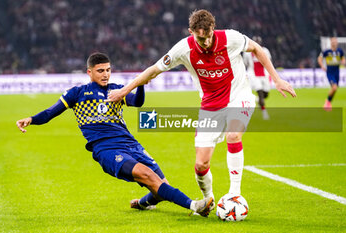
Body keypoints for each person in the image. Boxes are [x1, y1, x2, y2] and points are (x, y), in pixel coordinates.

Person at [106, 10, 296, 210]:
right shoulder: (183, 49)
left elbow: (257, 49)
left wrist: (276, 79)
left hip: (238, 97)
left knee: (233, 135)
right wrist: (125, 91)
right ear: (191, 32)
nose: (205, 42)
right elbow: (153, 70)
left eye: (207, 37)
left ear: (213, 29)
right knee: (201, 165)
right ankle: (208, 200)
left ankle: (235, 195)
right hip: (210, 107)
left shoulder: (230, 38)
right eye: (199, 38)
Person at [16, 52, 213, 217]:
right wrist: (31, 119)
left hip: (131, 144)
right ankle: (195, 206)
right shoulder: (77, 93)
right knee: (147, 175)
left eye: (108, 70)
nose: (105, 74)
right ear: (90, 72)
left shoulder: (116, 90)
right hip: (106, 148)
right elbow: (51, 113)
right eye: (100, 71)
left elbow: (137, 103)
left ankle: (142, 203)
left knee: (161, 187)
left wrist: (141, 83)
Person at [243, 36, 272, 120]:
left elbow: (269, 61)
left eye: (258, 42)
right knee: (260, 93)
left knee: (265, 94)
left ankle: (258, 99)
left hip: (264, 75)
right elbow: (245, 63)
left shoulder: (265, 51)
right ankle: (264, 114)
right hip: (254, 76)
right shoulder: (247, 53)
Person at [317, 37, 345, 111]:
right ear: (330, 42)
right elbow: (319, 58)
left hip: (337, 72)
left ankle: (328, 103)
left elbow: (343, 59)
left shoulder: (340, 51)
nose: (334, 43)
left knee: (335, 89)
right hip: (330, 73)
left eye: (335, 41)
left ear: (337, 43)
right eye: (332, 41)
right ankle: (327, 102)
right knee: (334, 87)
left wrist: (343, 62)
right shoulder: (326, 51)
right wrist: (322, 66)